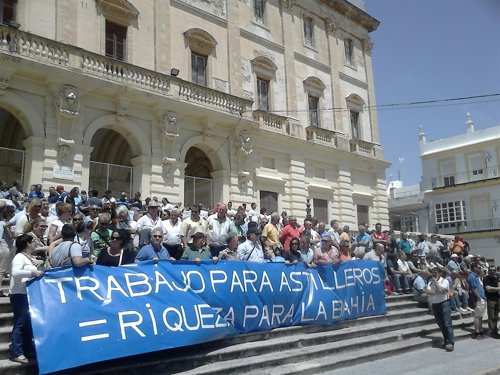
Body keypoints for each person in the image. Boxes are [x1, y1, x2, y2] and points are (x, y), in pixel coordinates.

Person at [9, 234, 44, 364]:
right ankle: (16, 352)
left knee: (28, 323)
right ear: (28, 244)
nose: (36, 243)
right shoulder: (19, 257)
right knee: (20, 322)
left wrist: (41, 263)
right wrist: (32, 273)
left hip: (29, 294)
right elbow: (16, 273)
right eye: (33, 241)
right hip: (19, 294)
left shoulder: (29, 258)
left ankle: (28, 349)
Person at [427, 267, 454, 352]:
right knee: (441, 324)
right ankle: (446, 340)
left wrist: (436, 284)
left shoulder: (444, 281)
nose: (434, 274)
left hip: (444, 303)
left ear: (440, 273)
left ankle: (450, 342)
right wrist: (437, 290)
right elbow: (428, 292)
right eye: (432, 272)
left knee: (447, 323)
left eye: (435, 272)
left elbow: (442, 290)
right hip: (435, 304)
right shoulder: (430, 282)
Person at [468, 262, 487, 340]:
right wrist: (480, 298)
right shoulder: (472, 276)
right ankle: (477, 332)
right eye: (478, 267)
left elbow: (482, 274)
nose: (480, 269)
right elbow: (474, 289)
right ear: (474, 268)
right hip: (478, 299)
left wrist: (481, 269)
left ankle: (481, 330)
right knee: (477, 316)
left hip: (481, 298)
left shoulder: (476, 276)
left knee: (480, 317)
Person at [483, 265, 500, 338]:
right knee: (491, 316)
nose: (492, 272)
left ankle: (495, 330)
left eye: (494, 270)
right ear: (488, 271)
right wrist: (498, 288)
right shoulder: (486, 278)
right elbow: (488, 289)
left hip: (497, 299)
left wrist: (495, 288)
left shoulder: (497, 278)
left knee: (496, 317)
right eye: (491, 270)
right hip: (490, 300)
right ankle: (493, 332)